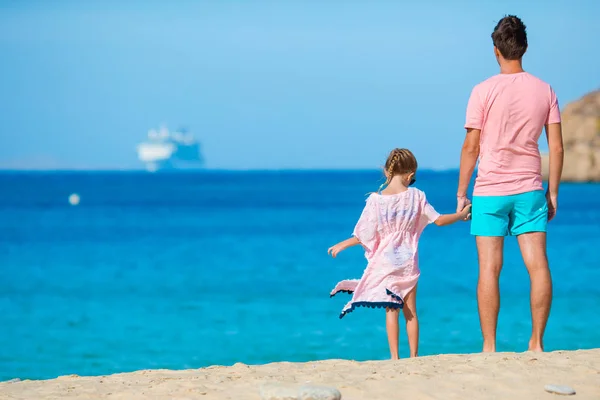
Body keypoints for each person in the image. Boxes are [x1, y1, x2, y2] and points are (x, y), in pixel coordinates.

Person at [457, 15, 564, 353]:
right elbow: (557, 147)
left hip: (489, 190)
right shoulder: (545, 89)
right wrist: (553, 192)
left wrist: (461, 193)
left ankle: (489, 347)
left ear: (496, 51)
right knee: (538, 265)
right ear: (525, 48)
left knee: (489, 268)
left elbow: (471, 146)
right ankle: (536, 343)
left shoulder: (482, 90)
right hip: (530, 188)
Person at [328, 148, 471, 359]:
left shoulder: (376, 201)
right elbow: (439, 220)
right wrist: (460, 215)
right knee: (411, 311)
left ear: (386, 171)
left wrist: (343, 244)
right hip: (407, 261)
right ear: (411, 174)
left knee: (391, 310)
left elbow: (364, 233)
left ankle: (394, 358)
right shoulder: (417, 196)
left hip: (386, 262)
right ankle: (414, 357)